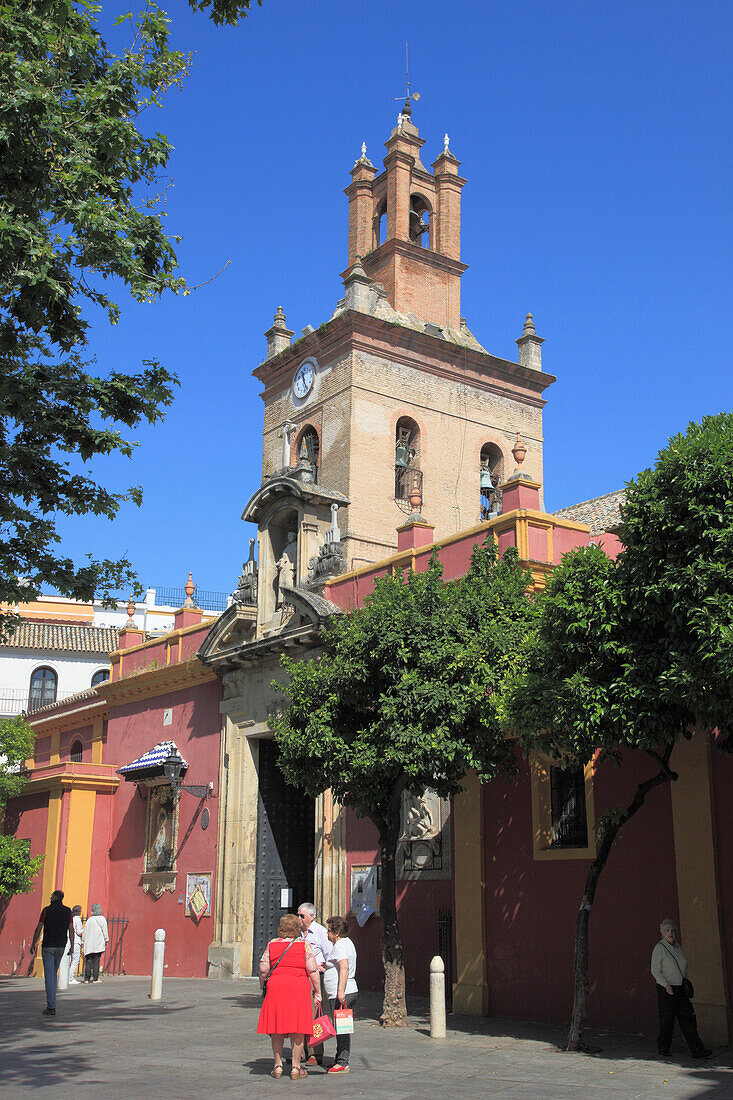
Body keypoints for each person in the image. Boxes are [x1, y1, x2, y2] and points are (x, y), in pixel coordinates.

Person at [257, 912, 322, 1079]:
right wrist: (318, 992)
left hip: (276, 988)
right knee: (298, 1027)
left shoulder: (272, 944)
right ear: (296, 928)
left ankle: (278, 1066)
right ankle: (295, 1067)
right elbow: (313, 970)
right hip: (298, 988)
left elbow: (264, 968)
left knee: (276, 1027)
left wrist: (263, 984)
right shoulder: (304, 945)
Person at [651, 918, 711, 1058]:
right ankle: (663, 1047)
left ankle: (697, 1049)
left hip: (680, 989)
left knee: (687, 1019)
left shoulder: (678, 947)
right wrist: (666, 985)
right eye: (667, 931)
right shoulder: (659, 948)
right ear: (662, 934)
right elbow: (655, 970)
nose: (670, 933)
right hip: (667, 988)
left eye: (672, 931)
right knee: (667, 1019)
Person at [297, 901, 331, 1067]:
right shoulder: (298, 933)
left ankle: (315, 1053)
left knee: (313, 1015)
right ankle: (301, 1052)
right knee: (300, 1015)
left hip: (314, 979)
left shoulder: (320, 932)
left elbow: (330, 955)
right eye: (298, 915)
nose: (299, 918)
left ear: (311, 916)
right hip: (299, 978)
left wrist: (321, 966)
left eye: (302, 916)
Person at [323, 915, 358, 1075]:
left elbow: (344, 967)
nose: (327, 933)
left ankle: (343, 1062)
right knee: (341, 1027)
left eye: (329, 930)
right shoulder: (347, 943)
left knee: (342, 1028)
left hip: (343, 992)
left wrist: (340, 991)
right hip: (347, 990)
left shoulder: (340, 946)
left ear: (336, 932)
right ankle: (340, 1058)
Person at [30, 889, 73, 1016]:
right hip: (61, 946)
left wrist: (34, 943)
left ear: (54, 897)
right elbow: (71, 929)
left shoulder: (46, 910)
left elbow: (39, 927)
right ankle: (52, 1002)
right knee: (54, 973)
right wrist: (72, 947)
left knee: (49, 975)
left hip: (48, 945)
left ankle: (51, 1005)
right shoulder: (68, 911)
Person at [82, 903, 109, 983]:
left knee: (88, 961)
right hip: (98, 943)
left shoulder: (89, 920)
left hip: (89, 944)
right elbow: (105, 930)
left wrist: (83, 941)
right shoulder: (102, 919)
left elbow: (85, 932)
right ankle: (95, 978)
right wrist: (106, 939)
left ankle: (86, 978)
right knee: (96, 961)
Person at [68, 905, 83, 984]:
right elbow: (79, 932)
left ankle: (66, 976)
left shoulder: (71, 919)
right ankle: (70, 977)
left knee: (69, 960)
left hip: (69, 941)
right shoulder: (77, 920)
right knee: (75, 960)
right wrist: (84, 930)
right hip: (76, 941)